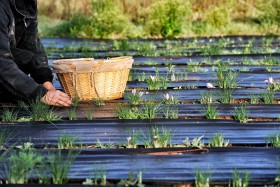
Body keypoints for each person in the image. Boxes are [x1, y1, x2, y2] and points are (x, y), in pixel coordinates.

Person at [0, 0, 72, 107]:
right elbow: (2, 63)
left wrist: (46, 82)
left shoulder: (28, 4)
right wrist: (39, 93)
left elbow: (32, 45)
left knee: (27, 57)